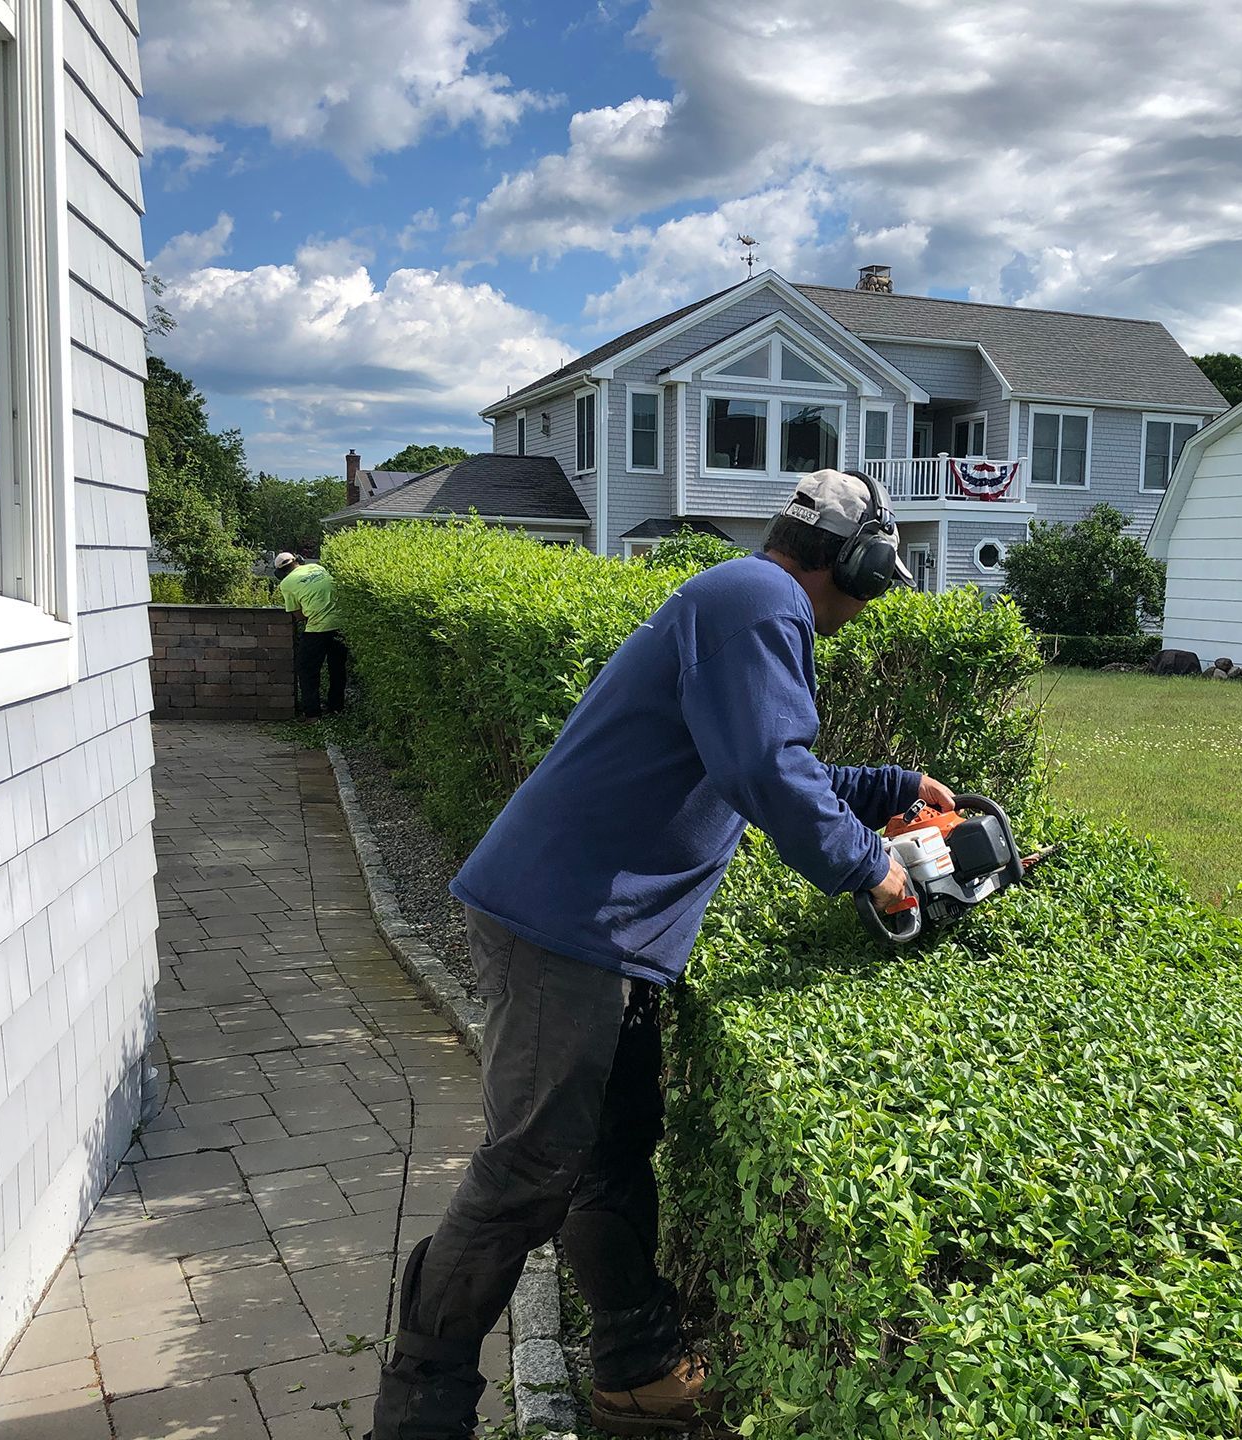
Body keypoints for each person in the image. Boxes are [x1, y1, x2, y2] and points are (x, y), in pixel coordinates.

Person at [369, 470, 954, 1439]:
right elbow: (767, 771)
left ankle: (635, 1373)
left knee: (608, 1158)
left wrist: (892, 784)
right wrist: (876, 874)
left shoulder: (738, 599)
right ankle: (420, 1401)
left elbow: (758, 759)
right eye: (875, 579)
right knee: (527, 1173)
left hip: (601, 936)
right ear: (849, 563)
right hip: (568, 929)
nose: (870, 602)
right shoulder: (761, 605)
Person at [275, 551, 347, 718]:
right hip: (341, 625)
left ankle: (313, 714)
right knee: (337, 669)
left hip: (317, 629)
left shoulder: (286, 584)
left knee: (307, 670)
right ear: (298, 560)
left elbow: (298, 615)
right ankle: (336, 708)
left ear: (280, 572)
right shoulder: (317, 567)